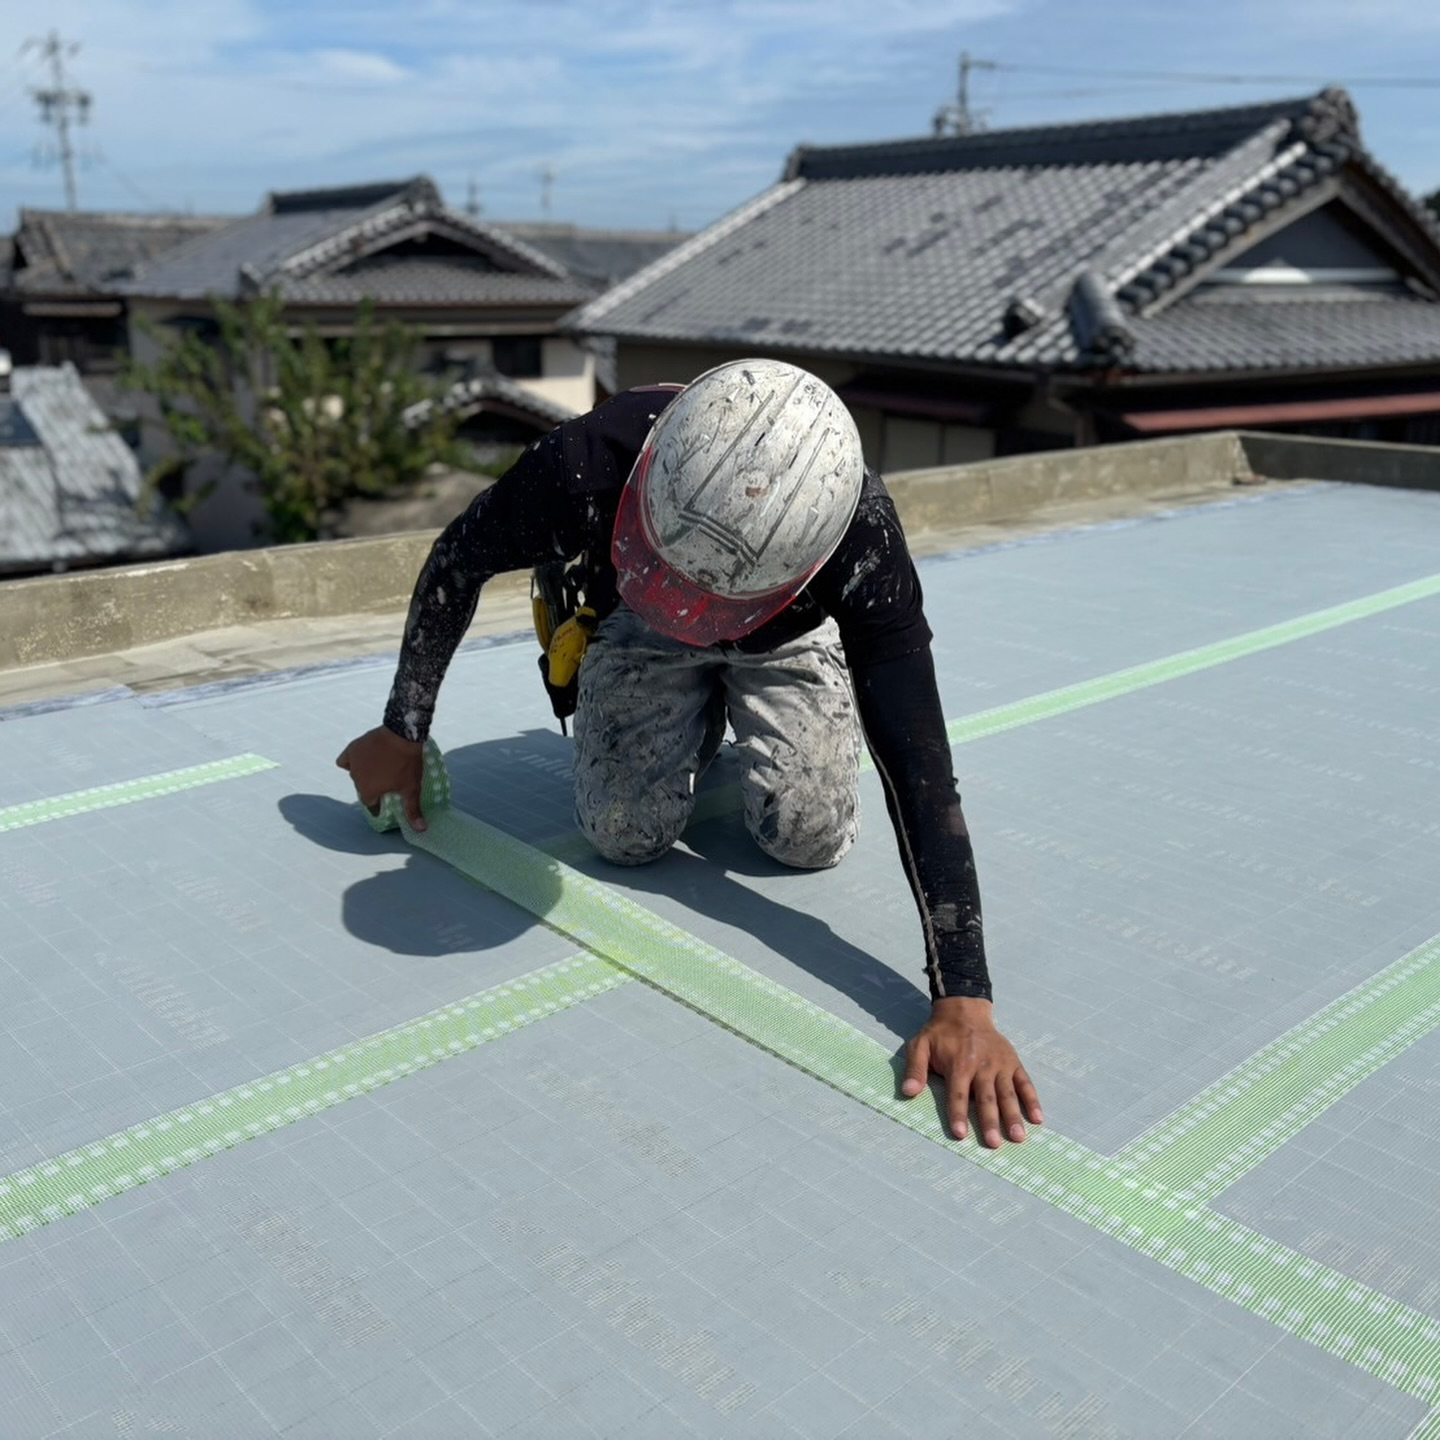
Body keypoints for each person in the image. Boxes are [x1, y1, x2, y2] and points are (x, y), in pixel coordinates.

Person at [338, 359, 1043, 1148]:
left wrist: (963, 998)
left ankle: (764, 691)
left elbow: (918, 758)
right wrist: (403, 728)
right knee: (622, 832)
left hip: (786, 630)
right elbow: (457, 559)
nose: (693, 609)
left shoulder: (859, 539)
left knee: (807, 836)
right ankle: (690, 702)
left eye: (707, 602)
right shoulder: (585, 468)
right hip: (631, 613)